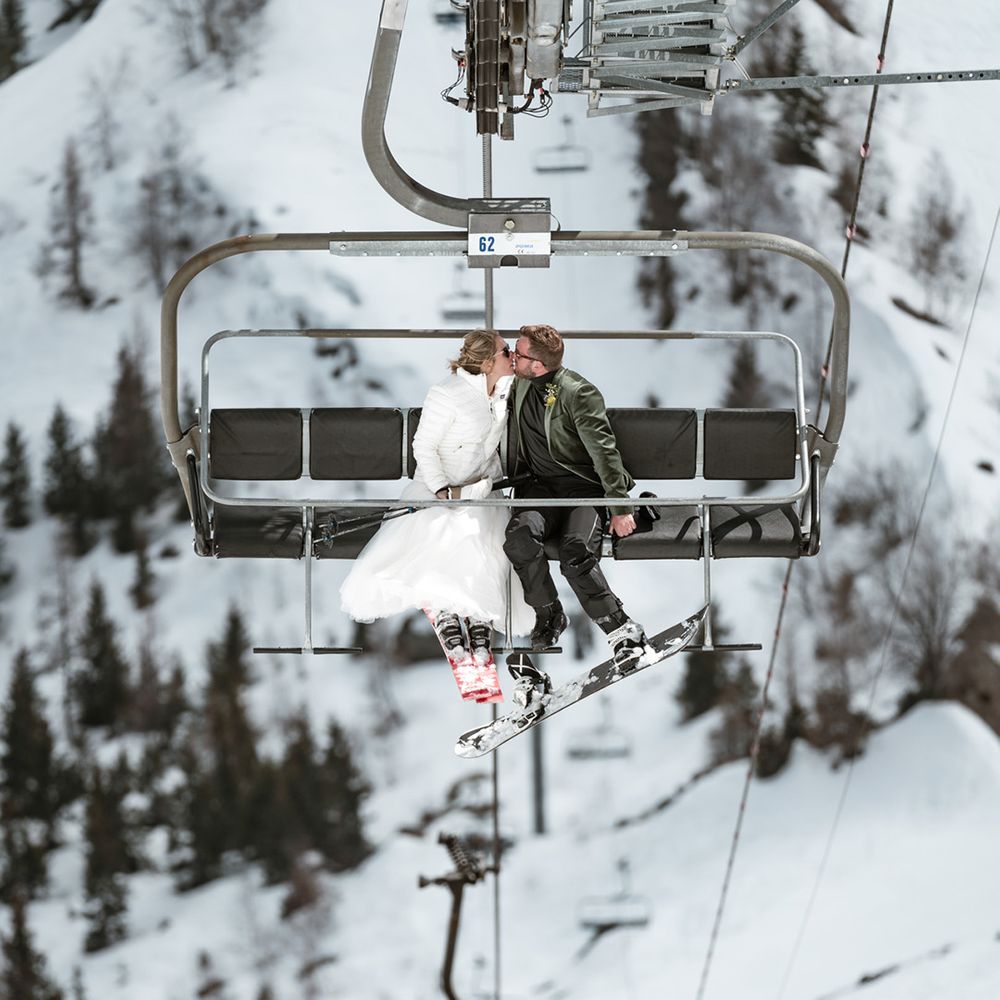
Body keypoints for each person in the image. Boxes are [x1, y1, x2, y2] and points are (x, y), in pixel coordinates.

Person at [339, 331, 534, 693]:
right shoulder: (447, 394)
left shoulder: (501, 392)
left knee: (485, 550)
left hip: (480, 492)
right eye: (505, 351)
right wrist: (443, 487)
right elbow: (423, 445)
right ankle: (450, 625)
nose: (511, 355)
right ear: (487, 362)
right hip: (440, 492)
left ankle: (478, 632)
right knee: (443, 545)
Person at [503, 323, 649, 670]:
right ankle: (549, 611)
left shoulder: (578, 393)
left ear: (536, 365)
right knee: (519, 537)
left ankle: (621, 628)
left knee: (575, 550)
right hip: (540, 487)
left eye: (517, 352)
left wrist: (619, 506)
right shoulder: (519, 383)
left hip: (583, 487)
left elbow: (604, 453)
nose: (512, 355)